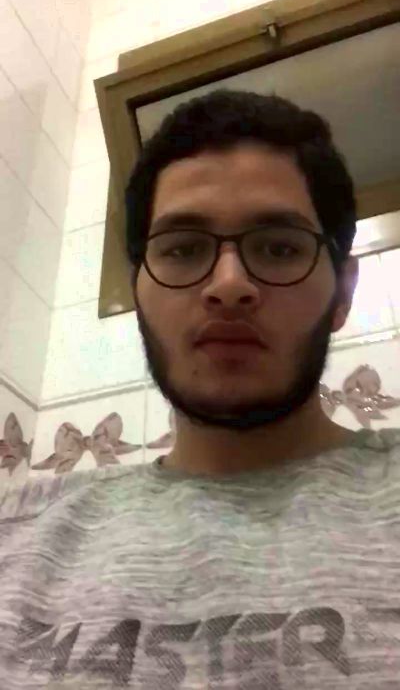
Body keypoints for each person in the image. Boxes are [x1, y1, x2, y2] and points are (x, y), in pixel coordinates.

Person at [1, 89, 399, 689]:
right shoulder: (17, 534)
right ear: (137, 289)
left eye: (279, 247)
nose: (229, 284)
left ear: (343, 291)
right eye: (184, 250)